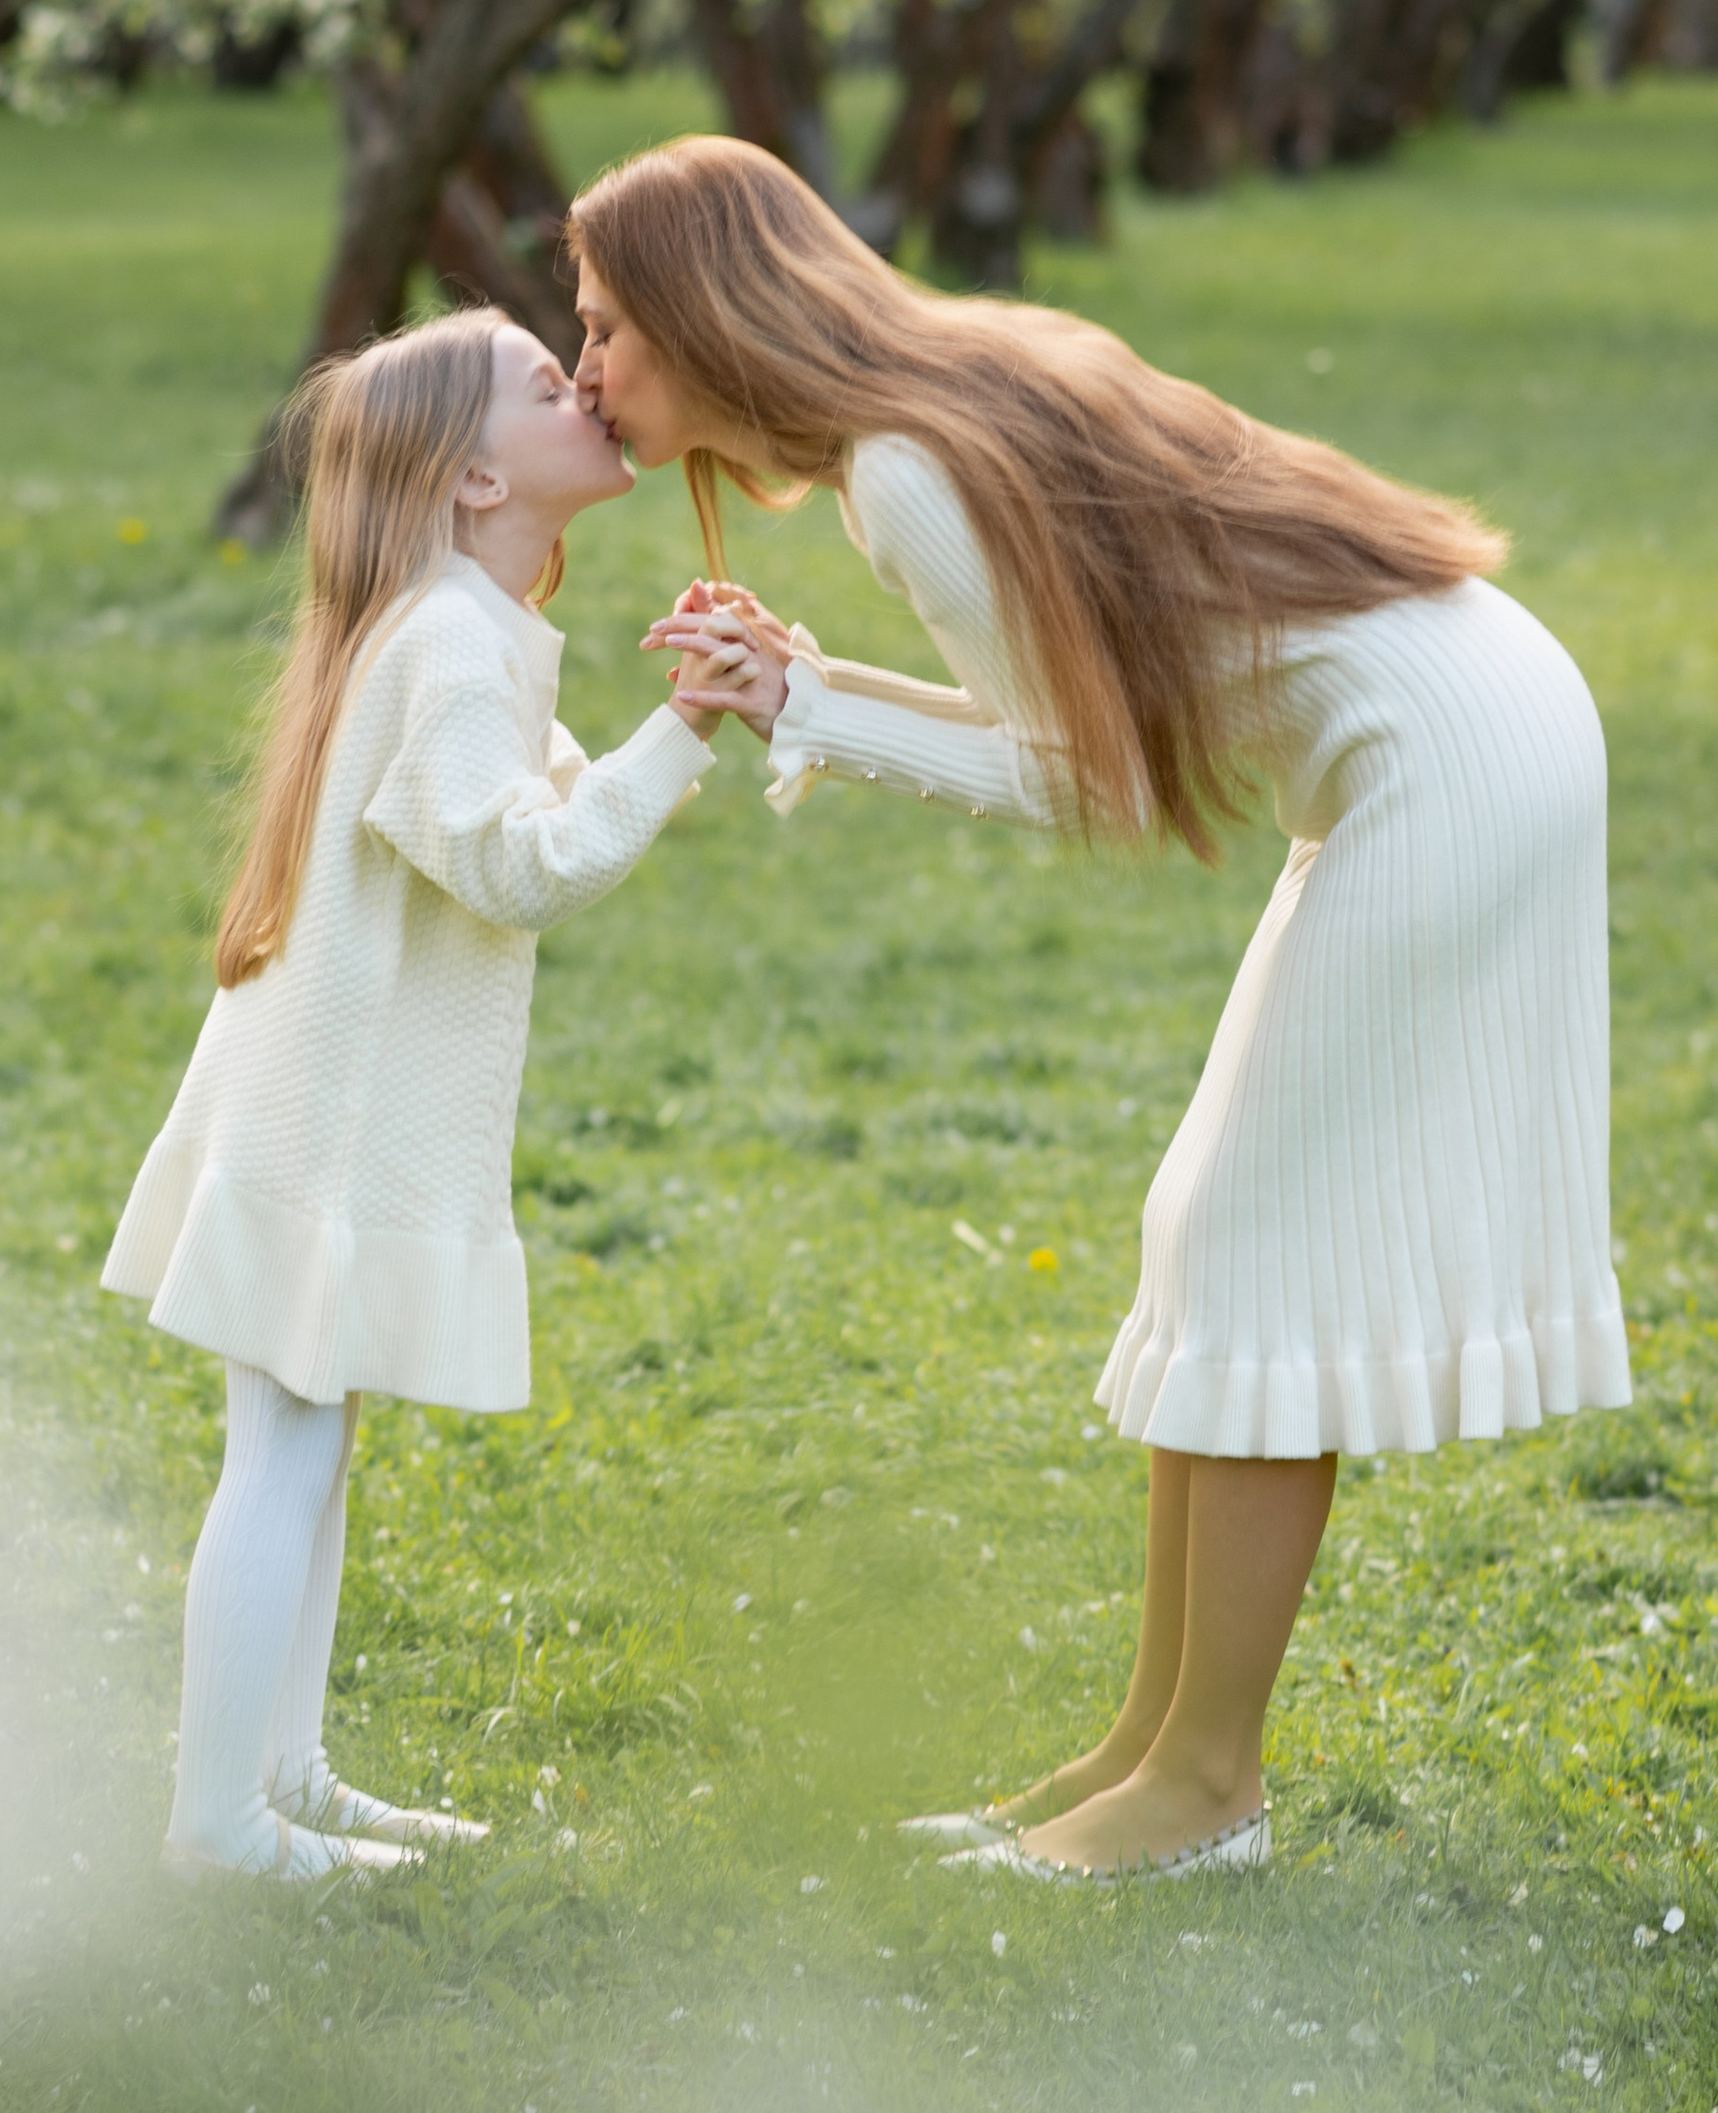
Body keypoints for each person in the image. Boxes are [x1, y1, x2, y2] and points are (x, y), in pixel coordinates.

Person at [566, 132, 1629, 1882]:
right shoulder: (930, 396)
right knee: (1211, 1232)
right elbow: (1077, 718)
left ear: (700, 315)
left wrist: (809, 710)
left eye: (606, 327)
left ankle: (1204, 1787)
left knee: (1259, 1243)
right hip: (1467, 714)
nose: (586, 366)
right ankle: (1150, 1749)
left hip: (1447, 761)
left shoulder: (903, 473)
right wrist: (812, 688)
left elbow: (1085, 783)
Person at [104, 309, 718, 1877]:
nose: (584, 384)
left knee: (307, 1445)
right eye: (541, 381)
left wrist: (664, 728)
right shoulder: (447, 638)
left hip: (319, 1098)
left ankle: (282, 1773)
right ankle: (215, 1822)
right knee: (287, 1456)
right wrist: (689, 728)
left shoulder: (466, 620)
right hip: (336, 1119)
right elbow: (522, 864)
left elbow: (514, 808)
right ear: (470, 481)